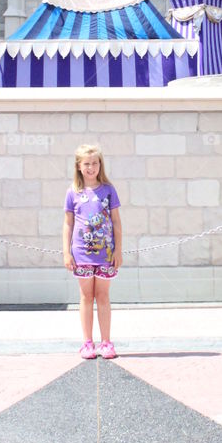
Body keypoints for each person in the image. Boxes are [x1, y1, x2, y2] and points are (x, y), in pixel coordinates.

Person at [63, 143, 122, 360]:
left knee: (103, 295)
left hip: (105, 254)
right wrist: (66, 252)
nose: (91, 168)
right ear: (79, 166)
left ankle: (106, 342)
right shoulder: (73, 192)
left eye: (95, 163)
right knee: (86, 296)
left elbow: (116, 221)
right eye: (86, 164)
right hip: (81, 254)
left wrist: (118, 251)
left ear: (100, 165)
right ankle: (87, 343)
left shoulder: (108, 190)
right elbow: (68, 224)